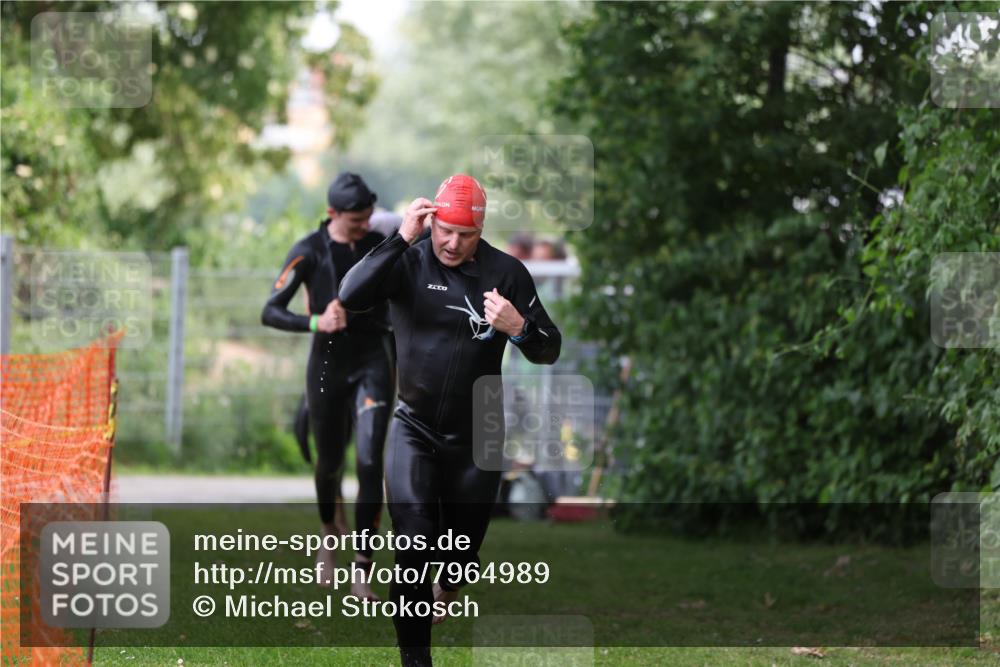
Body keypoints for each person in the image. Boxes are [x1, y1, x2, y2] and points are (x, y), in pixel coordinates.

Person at [339, 174, 561, 667]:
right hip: (413, 426)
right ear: (432, 221)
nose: (453, 243)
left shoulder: (507, 273)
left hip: (480, 433)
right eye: (446, 231)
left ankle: (454, 576)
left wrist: (519, 328)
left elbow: (549, 348)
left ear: (481, 231)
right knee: (413, 544)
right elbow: (351, 294)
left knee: (459, 556)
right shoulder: (409, 261)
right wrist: (401, 238)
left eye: (466, 235)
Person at [261, 172, 394, 601]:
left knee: (370, 462)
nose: (365, 224)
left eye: (369, 216)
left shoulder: (378, 244)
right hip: (327, 366)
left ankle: (362, 570)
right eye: (357, 220)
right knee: (329, 463)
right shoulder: (308, 251)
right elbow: (270, 311)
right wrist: (316, 321)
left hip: (373, 361)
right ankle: (328, 534)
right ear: (332, 213)